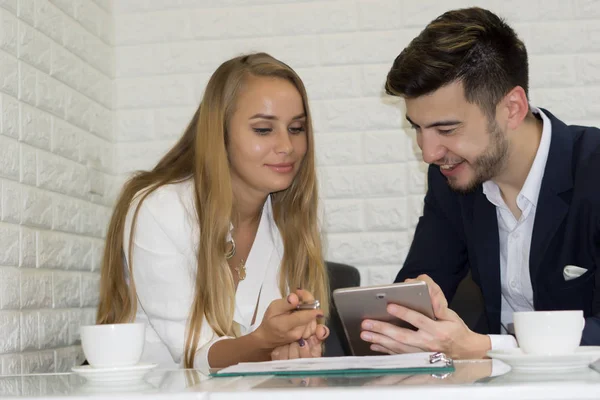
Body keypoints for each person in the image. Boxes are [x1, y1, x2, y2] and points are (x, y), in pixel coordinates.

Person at [360, 7, 600, 359]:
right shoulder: (452, 177)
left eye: (446, 129)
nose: (429, 153)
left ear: (512, 108)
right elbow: (417, 290)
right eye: (417, 128)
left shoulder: (593, 170)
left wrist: (486, 346)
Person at [96, 53, 330, 374]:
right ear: (219, 133)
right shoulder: (160, 208)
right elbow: (194, 357)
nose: (287, 146)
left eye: (296, 128)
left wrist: (296, 345)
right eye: (263, 129)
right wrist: (264, 342)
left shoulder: (293, 219)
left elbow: (267, 357)